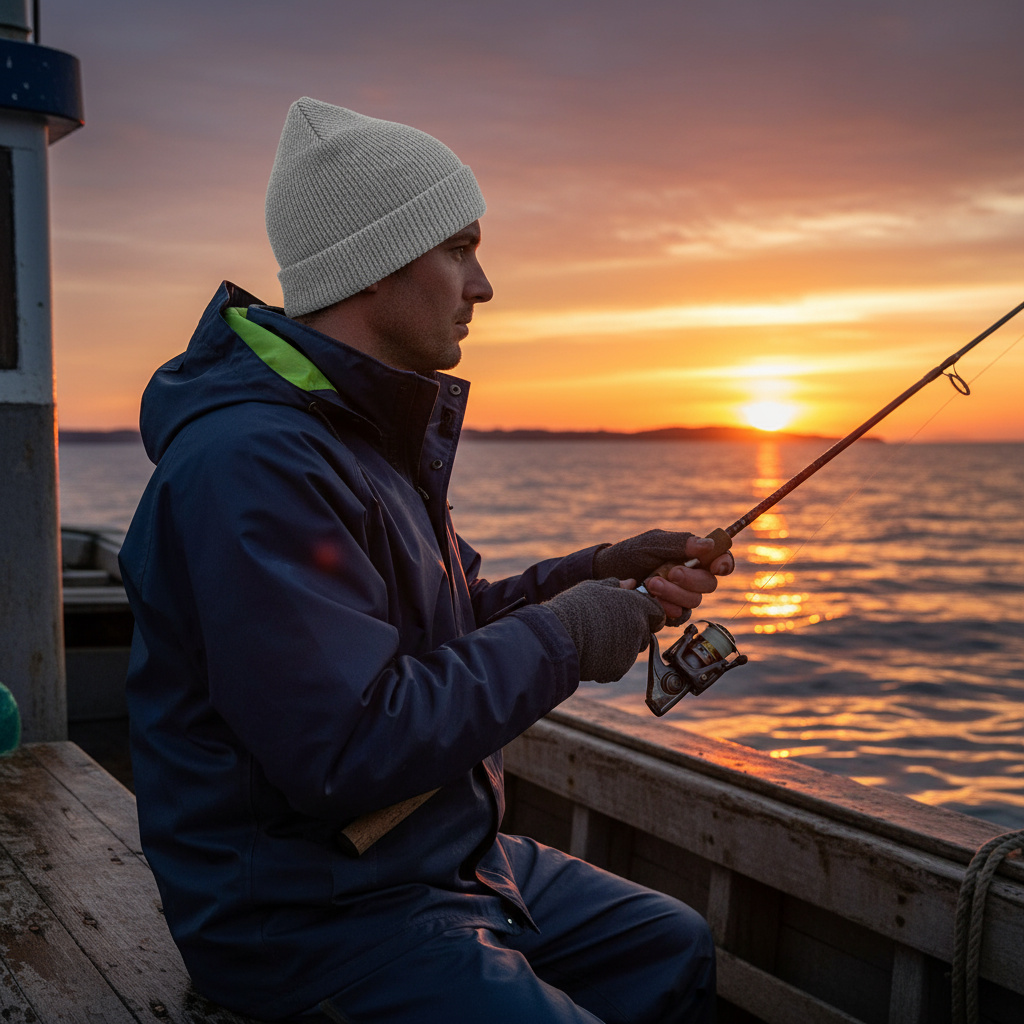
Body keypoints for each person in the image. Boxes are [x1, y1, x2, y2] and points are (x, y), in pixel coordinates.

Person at [119, 97, 734, 1023]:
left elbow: (433, 633)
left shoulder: (352, 436)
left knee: (669, 942)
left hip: (435, 862)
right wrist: (569, 637)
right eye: (460, 249)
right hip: (307, 916)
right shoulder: (251, 467)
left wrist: (599, 571)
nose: (481, 285)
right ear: (375, 264)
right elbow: (349, 749)